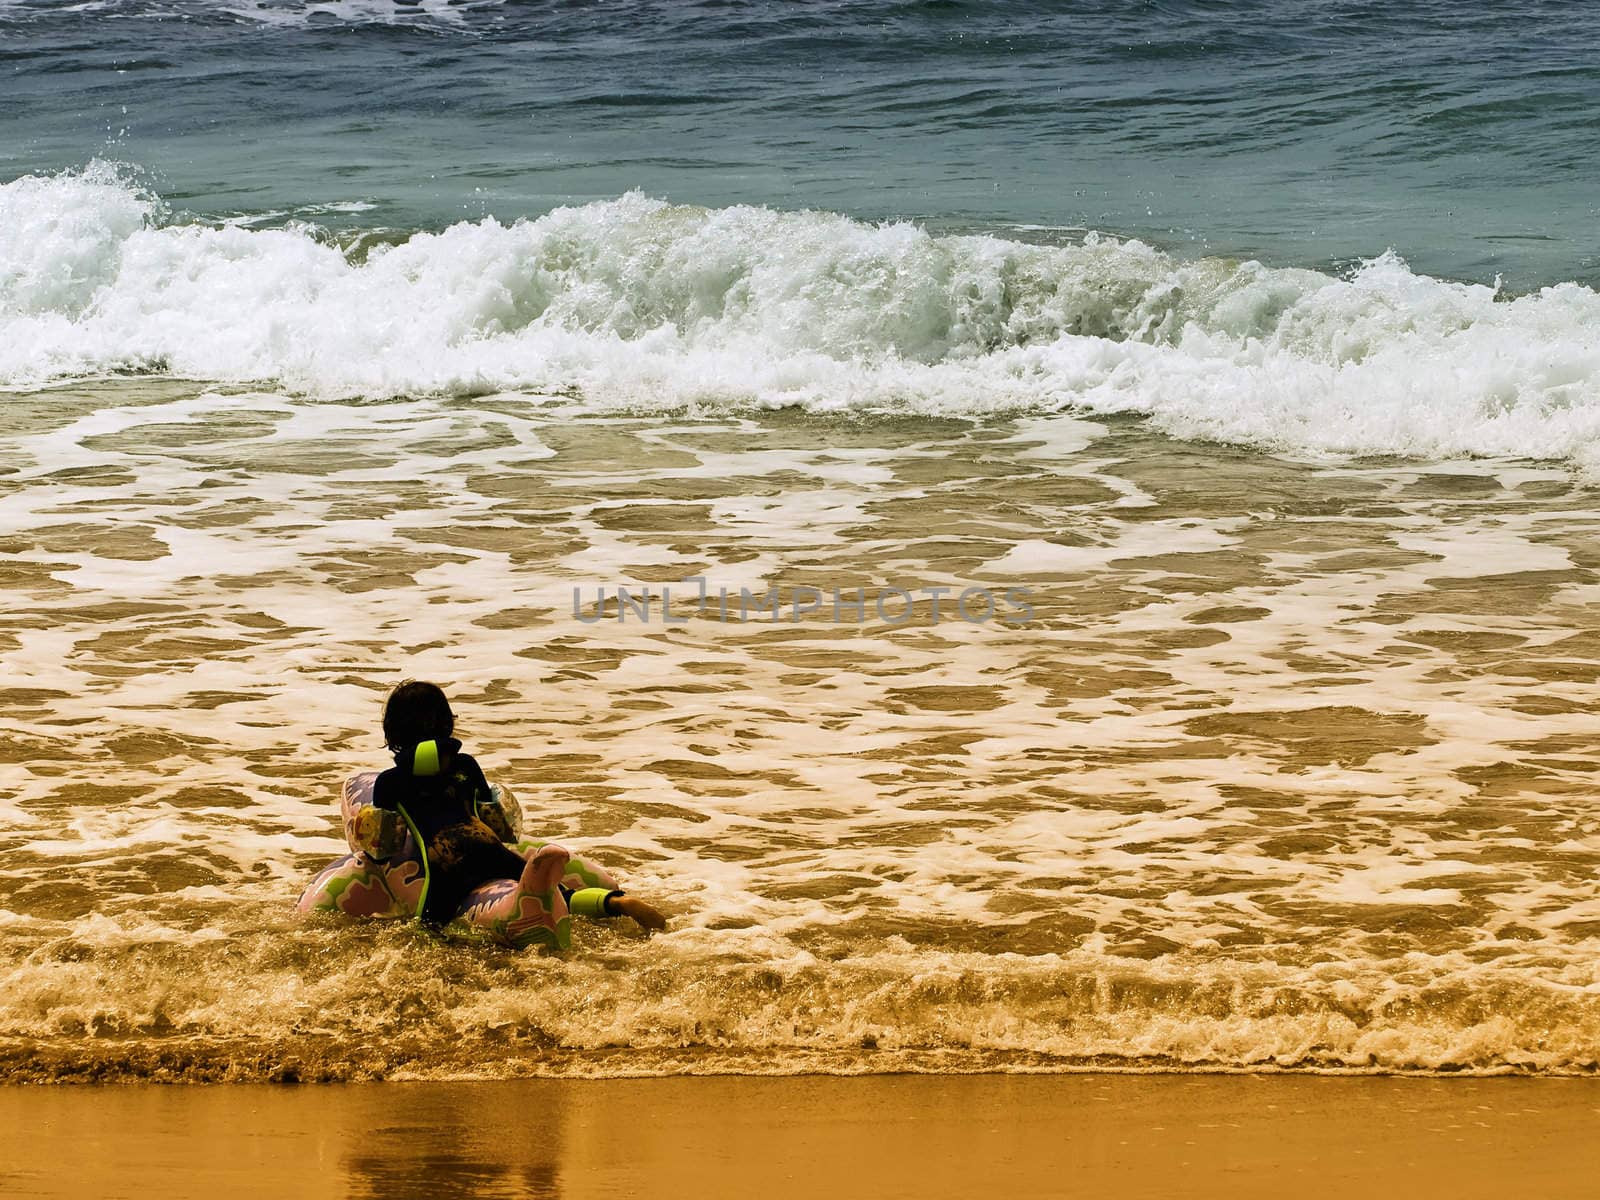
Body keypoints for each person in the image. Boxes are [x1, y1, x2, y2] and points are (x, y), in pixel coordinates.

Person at [372, 679, 666, 932]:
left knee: (427, 927)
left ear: (394, 731)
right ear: (447, 721)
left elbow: (385, 847)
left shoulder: (389, 782)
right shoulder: (466, 764)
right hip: (490, 850)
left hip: (447, 864)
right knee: (561, 895)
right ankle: (617, 902)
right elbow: (497, 824)